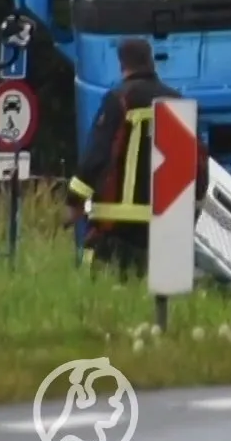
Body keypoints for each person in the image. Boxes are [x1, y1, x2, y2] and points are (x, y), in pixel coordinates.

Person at [66, 37, 203, 276]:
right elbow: (198, 164)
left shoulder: (120, 99)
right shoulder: (177, 102)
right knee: (158, 291)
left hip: (118, 226)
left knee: (104, 289)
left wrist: (74, 203)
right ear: (151, 62)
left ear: (122, 64)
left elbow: (97, 155)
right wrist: (193, 210)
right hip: (167, 226)